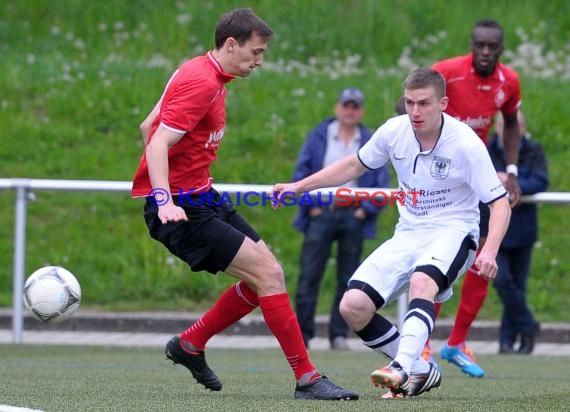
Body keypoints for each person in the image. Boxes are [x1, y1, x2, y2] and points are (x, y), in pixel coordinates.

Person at [131, 8, 358, 401]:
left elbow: (147, 125)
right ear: (231, 44)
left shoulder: (204, 73)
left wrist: (181, 180)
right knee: (270, 275)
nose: (260, 61)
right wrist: (164, 198)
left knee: (264, 278)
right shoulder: (201, 82)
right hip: (183, 208)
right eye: (256, 52)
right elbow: (157, 142)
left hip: (200, 196)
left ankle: (190, 344)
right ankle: (307, 378)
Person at [272, 68, 512, 398]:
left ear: (443, 103)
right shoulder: (393, 131)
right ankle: (421, 370)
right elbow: (354, 165)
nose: (415, 111)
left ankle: (400, 367)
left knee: (421, 282)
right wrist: (300, 186)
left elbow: (500, 204)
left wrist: (490, 250)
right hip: (409, 232)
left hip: (454, 231)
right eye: (410, 103)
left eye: (424, 103)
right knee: (353, 305)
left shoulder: (466, 144)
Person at [428, 18, 523, 377]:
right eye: (479, 45)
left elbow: (511, 123)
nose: (485, 52)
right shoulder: (445, 72)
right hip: (438, 180)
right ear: (471, 44)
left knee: (485, 259)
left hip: (475, 176)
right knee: (437, 263)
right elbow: (405, 109)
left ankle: (455, 343)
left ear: (500, 49)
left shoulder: (509, 81)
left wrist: (511, 171)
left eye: (492, 47)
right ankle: (420, 346)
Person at [292, 88, 390, 351]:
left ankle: (338, 334)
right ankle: (302, 335)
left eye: (355, 106)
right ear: (338, 107)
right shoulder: (319, 136)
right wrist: (310, 206)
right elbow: (301, 171)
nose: (350, 110)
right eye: (346, 105)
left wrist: (364, 211)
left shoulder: (369, 139)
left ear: (361, 111)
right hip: (320, 213)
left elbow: (382, 183)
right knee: (309, 276)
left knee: (348, 279)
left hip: (353, 215)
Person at [490, 111, 548, 354]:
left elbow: (541, 181)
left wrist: (513, 184)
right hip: (494, 227)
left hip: (523, 228)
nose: (506, 130)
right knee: (503, 282)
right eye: (502, 125)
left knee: (518, 286)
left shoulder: (533, 150)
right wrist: (496, 180)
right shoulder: (485, 150)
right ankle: (527, 325)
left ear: (521, 129)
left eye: (512, 125)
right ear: (495, 127)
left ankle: (510, 342)